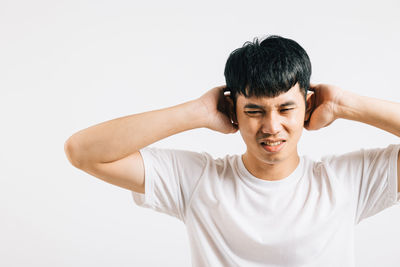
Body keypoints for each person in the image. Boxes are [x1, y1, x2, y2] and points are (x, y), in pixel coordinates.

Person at [64, 35, 400, 267]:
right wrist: (196, 112)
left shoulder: (345, 181)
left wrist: (346, 104)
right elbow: (82, 151)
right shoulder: (197, 179)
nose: (271, 126)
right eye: (254, 111)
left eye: (286, 109)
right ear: (232, 109)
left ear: (308, 105)